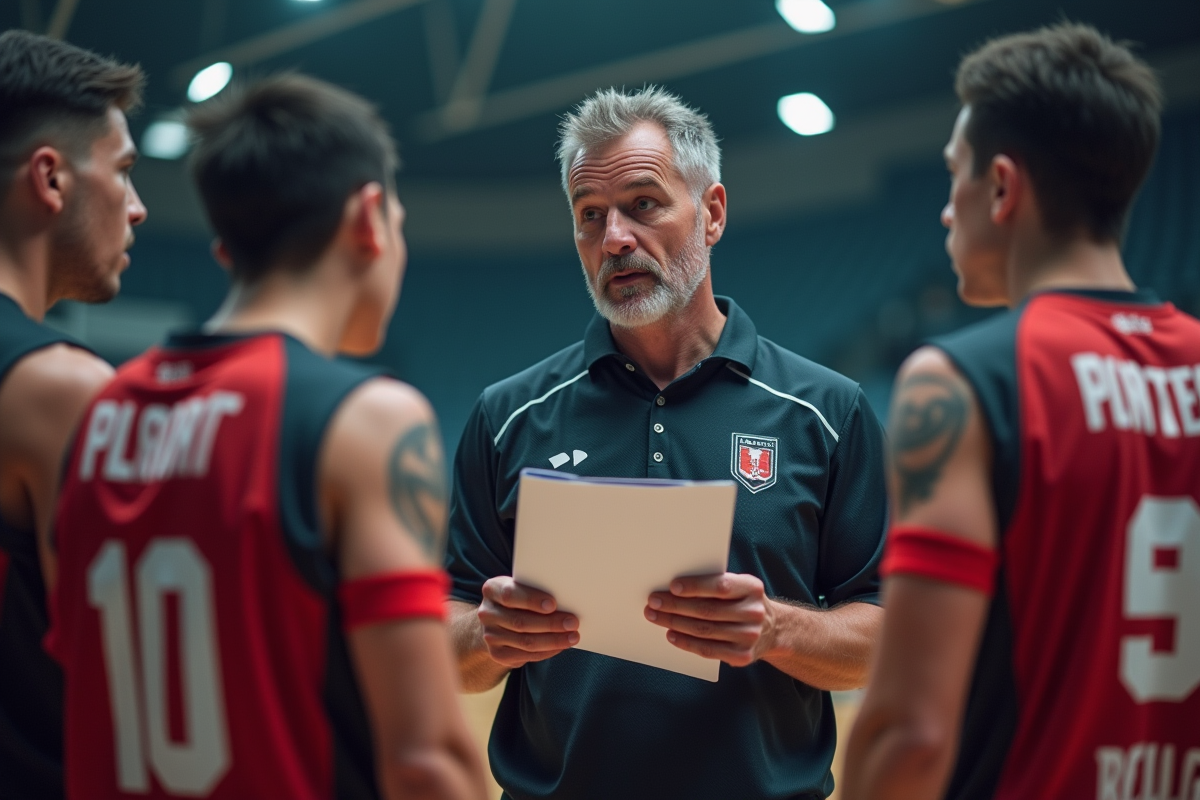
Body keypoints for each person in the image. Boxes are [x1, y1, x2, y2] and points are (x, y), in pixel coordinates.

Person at [49, 74, 488, 800]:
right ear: (370, 218)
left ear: (228, 249)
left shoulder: (99, 411)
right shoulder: (368, 420)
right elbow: (428, 760)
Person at [445, 87, 887, 799]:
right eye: (590, 217)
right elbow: (448, 637)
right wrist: (484, 638)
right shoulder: (507, 416)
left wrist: (775, 630)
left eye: (644, 205)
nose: (614, 238)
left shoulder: (826, 412)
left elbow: (887, 639)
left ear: (712, 212)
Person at [843, 23, 1199, 800]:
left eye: (954, 177)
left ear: (1002, 187)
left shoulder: (959, 381)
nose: (945, 211)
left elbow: (911, 731)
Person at [0, 30, 147, 799]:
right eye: (122, 172)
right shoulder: (62, 389)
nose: (138, 208)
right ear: (50, 178)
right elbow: (127, 692)